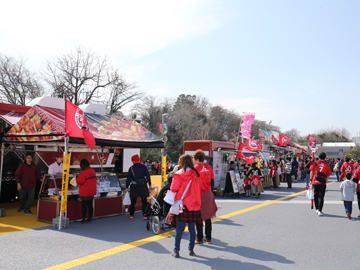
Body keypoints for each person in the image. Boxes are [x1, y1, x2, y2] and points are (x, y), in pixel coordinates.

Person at [170, 154, 201, 258]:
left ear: (181, 162)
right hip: (193, 205)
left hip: (182, 205)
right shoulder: (196, 174)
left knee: (179, 229)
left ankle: (176, 250)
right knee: (192, 228)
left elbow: (173, 188)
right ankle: (191, 249)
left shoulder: (178, 175)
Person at [193, 150, 217, 245]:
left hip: (198, 194)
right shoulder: (209, 167)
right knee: (208, 216)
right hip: (208, 192)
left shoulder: (195, 169)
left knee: (198, 216)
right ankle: (208, 237)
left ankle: (199, 238)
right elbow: (212, 182)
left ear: (197, 159)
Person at [126, 154, 151, 219]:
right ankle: (145, 215)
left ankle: (131, 215)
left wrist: (126, 187)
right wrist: (150, 184)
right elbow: (148, 176)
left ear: (133, 160)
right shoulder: (144, 167)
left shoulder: (131, 168)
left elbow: (128, 178)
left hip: (134, 186)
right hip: (143, 186)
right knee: (144, 201)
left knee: (133, 201)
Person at [310, 152, 332, 216]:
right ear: (325, 157)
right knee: (321, 197)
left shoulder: (315, 163)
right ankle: (320, 210)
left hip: (315, 181)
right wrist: (326, 180)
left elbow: (311, 171)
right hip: (322, 182)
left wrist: (310, 180)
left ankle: (316, 208)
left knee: (315, 196)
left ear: (319, 157)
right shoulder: (327, 164)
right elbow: (328, 174)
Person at [76, 159, 97, 224]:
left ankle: (83, 219)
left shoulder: (83, 172)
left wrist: (77, 177)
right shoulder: (92, 171)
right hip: (91, 191)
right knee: (90, 205)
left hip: (85, 191)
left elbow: (79, 181)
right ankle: (90, 218)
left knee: (84, 206)